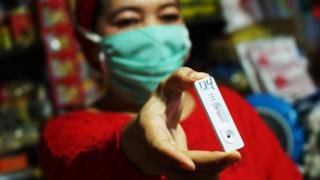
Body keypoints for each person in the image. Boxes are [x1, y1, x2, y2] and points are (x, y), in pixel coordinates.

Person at [39, 0, 303, 179]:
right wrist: (138, 150)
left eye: (167, 16)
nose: (155, 34)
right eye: (128, 21)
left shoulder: (229, 104)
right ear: (92, 42)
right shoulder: (66, 134)